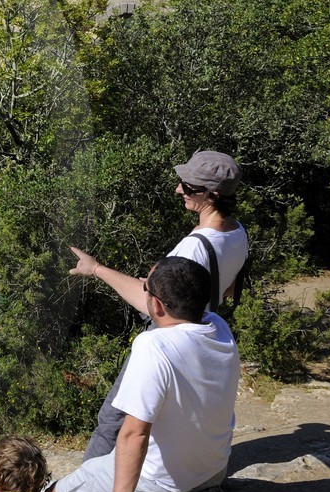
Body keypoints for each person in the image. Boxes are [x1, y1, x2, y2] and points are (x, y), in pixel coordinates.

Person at [70, 150, 249, 461]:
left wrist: (96, 269)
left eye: (190, 187)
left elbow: (149, 304)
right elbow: (226, 285)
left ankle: (87, 488)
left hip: (171, 337)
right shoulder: (237, 232)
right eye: (182, 182)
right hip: (203, 336)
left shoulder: (193, 247)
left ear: (215, 195)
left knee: (113, 420)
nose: (179, 190)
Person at [45, 256, 240, 492]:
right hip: (212, 471)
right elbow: (160, 305)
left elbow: (134, 435)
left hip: (164, 481)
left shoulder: (153, 346)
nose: (140, 287)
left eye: (145, 286)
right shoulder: (218, 327)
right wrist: (97, 269)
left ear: (157, 305)